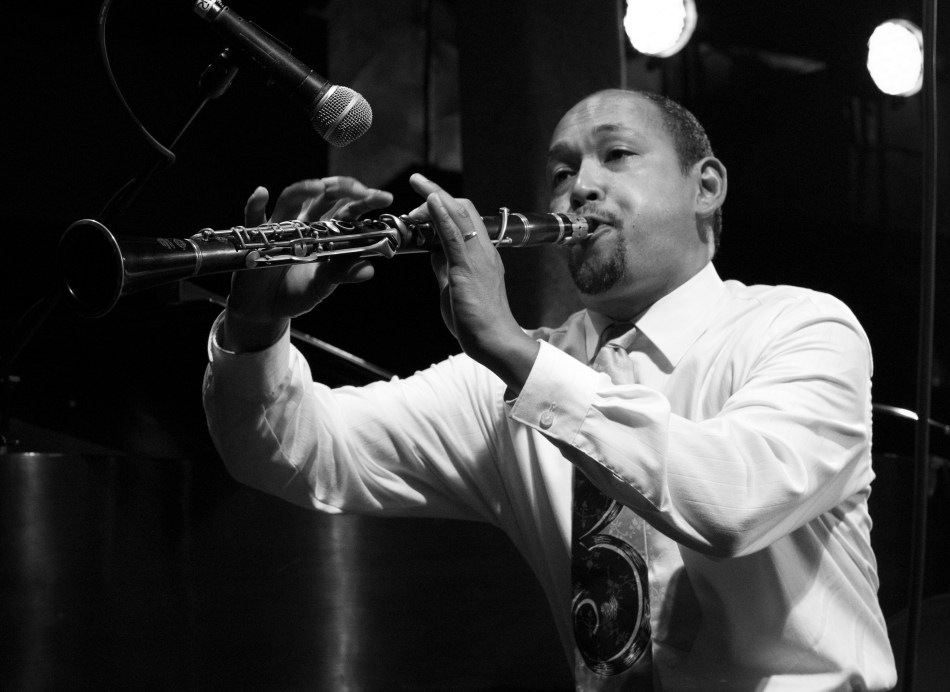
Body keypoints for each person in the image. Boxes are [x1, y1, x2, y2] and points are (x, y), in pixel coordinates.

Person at [202, 89, 898, 690]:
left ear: (705, 187)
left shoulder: (802, 326)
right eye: (562, 172)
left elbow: (733, 504)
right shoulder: (512, 379)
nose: (580, 188)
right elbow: (295, 452)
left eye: (616, 156)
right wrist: (256, 328)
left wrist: (513, 352)